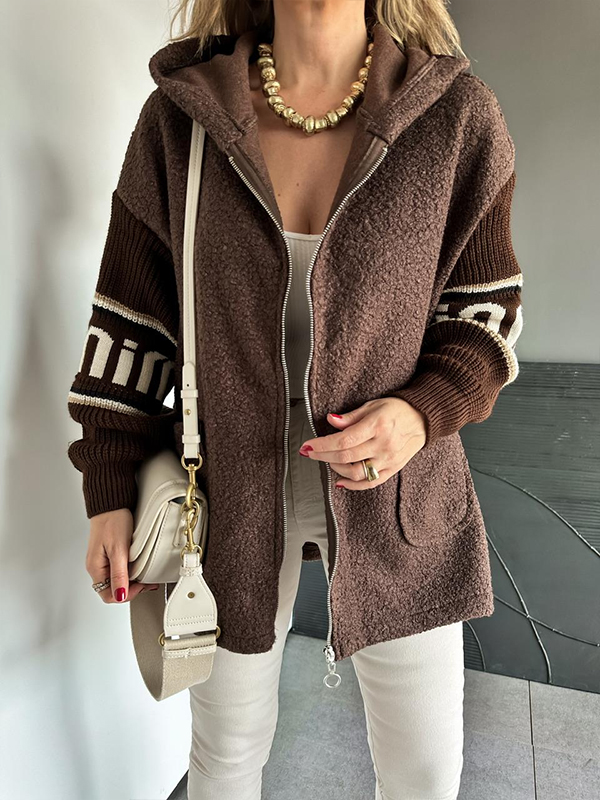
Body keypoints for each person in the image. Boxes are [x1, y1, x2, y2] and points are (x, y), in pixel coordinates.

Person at [66, 1, 524, 797]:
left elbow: (487, 314)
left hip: (401, 500)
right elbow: (131, 321)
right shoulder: (182, 122)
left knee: (424, 772)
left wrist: (420, 414)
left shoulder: (455, 117)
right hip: (226, 500)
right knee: (224, 758)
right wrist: (108, 485)